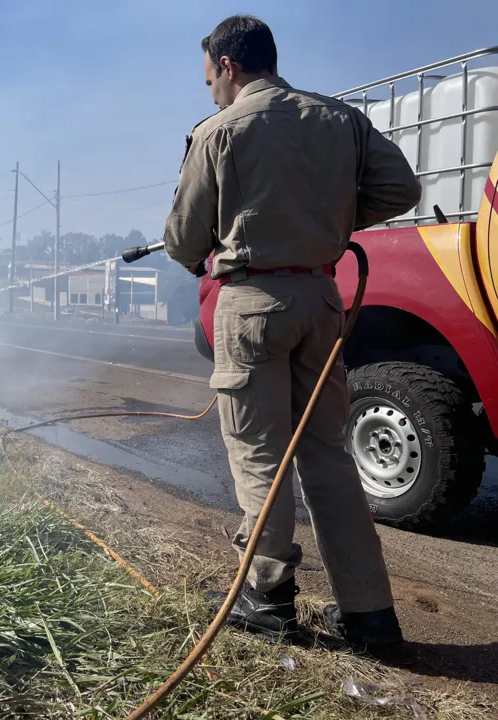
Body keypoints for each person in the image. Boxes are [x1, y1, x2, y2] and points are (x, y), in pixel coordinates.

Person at [162, 14, 421, 645]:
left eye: (210, 81)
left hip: (252, 302)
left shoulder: (217, 131)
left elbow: (183, 241)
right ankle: (370, 613)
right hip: (321, 300)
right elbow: (401, 187)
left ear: (228, 66)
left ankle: (267, 595)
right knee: (327, 452)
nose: (212, 94)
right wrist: (323, 213)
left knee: (258, 451)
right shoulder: (340, 118)